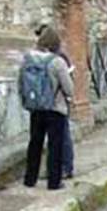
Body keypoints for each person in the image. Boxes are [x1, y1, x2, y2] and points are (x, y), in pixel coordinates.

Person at [20, 26, 73, 190]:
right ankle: (54, 182)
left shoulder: (28, 59)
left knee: (35, 143)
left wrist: (26, 101)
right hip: (55, 109)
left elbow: (21, 83)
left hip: (36, 108)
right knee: (54, 145)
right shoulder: (57, 62)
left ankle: (30, 179)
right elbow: (69, 88)